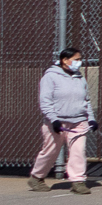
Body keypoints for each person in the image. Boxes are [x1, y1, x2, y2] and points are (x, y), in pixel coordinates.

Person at [30, 46, 95, 195]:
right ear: (65, 60)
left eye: (80, 59)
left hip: (78, 122)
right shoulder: (50, 77)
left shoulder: (80, 78)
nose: (79, 62)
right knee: (50, 151)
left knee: (78, 151)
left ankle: (78, 181)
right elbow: (45, 101)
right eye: (76, 60)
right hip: (57, 123)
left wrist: (91, 119)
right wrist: (54, 120)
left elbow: (86, 101)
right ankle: (36, 177)